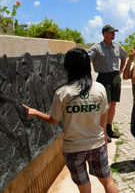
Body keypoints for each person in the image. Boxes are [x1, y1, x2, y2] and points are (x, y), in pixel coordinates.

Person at [23, 48, 118, 193]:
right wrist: (104, 140)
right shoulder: (99, 89)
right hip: (96, 145)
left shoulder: (63, 92)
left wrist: (35, 112)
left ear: (67, 68)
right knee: (108, 181)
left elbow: (53, 120)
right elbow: (102, 121)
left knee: (85, 189)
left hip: (74, 149)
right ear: (87, 66)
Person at [88, 25, 127, 143]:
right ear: (104, 33)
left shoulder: (117, 46)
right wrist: (88, 75)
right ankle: (103, 130)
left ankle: (109, 129)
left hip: (115, 77)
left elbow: (124, 57)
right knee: (106, 105)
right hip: (103, 77)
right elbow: (86, 59)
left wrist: (121, 70)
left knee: (113, 103)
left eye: (114, 32)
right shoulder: (97, 47)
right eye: (111, 32)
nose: (113, 34)